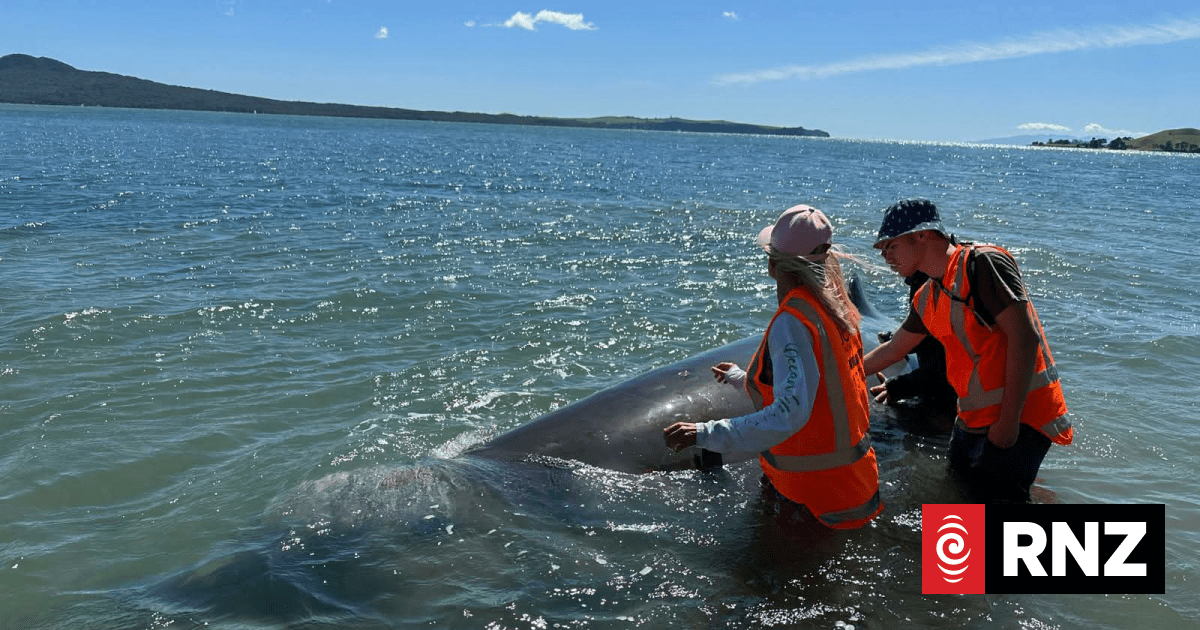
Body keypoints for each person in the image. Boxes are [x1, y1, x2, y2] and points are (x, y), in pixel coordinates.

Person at [663, 204, 883, 529]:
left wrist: (704, 433)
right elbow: (822, 386)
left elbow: (789, 414)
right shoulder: (838, 309)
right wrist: (743, 379)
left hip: (813, 501)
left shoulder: (793, 321)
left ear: (772, 264)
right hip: (854, 487)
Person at [862, 199, 1072, 503]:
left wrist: (1009, 421)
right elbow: (894, 350)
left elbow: (1025, 338)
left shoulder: (982, 264)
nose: (886, 257)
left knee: (995, 507)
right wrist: (841, 373)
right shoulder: (927, 296)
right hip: (972, 419)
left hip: (1020, 417)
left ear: (922, 235)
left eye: (891, 246)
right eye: (882, 250)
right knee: (957, 501)